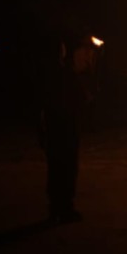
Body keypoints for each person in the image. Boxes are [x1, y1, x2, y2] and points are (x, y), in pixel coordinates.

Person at [38, 31, 97, 224]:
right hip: (60, 128)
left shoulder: (71, 75)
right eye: (84, 52)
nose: (87, 56)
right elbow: (55, 102)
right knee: (60, 168)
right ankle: (59, 207)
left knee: (66, 167)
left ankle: (62, 207)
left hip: (68, 128)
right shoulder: (61, 76)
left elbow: (85, 98)